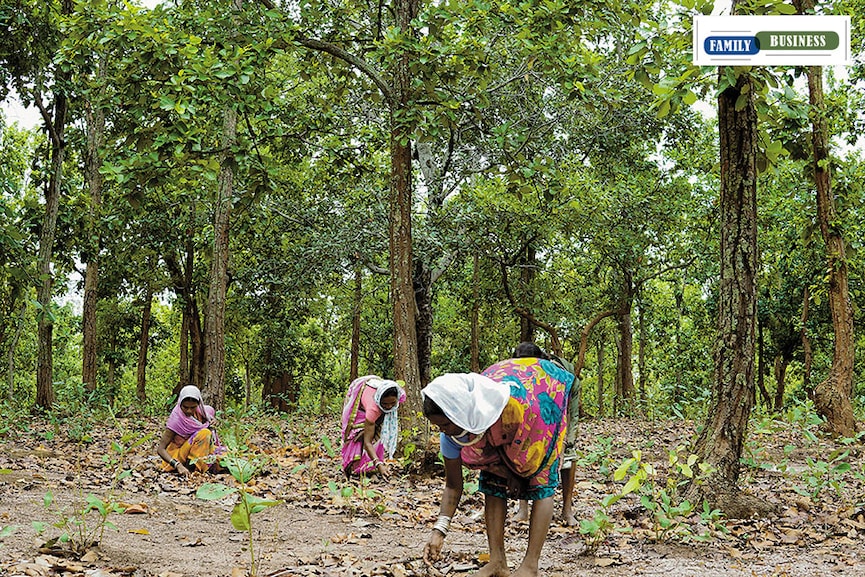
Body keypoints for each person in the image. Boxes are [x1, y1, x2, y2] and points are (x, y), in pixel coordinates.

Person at [422, 357, 575, 577]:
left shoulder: (516, 409)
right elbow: (453, 486)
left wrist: (517, 471)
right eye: (438, 426)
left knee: (540, 482)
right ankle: (497, 561)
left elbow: (521, 450)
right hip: (497, 426)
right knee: (492, 481)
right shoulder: (450, 435)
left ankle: (530, 566)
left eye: (445, 424)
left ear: (460, 413)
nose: (442, 431)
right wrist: (439, 530)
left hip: (537, 404)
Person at [511, 342, 581, 526]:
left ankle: (567, 509)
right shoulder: (518, 376)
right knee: (523, 453)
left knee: (570, 459)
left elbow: (572, 414)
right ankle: (523, 507)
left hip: (560, 422)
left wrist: (568, 441)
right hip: (534, 421)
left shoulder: (567, 379)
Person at [340, 375, 406, 479]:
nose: (389, 407)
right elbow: (367, 442)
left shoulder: (399, 394)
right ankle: (355, 467)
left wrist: (372, 428)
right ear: (379, 400)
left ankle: (370, 469)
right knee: (357, 437)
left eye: (392, 403)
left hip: (372, 406)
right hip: (359, 407)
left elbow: (383, 415)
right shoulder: (373, 409)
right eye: (385, 404)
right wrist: (379, 464)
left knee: (378, 434)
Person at [157, 385, 224, 477]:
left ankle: (206, 465)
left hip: (197, 451)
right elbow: (161, 449)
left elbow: (208, 420)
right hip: (177, 457)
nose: (189, 411)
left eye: (192, 407)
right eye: (185, 407)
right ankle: (194, 469)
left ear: (198, 404)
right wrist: (177, 465)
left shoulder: (201, 413)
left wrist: (211, 423)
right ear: (180, 403)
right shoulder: (176, 420)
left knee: (226, 455)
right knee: (204, 433)